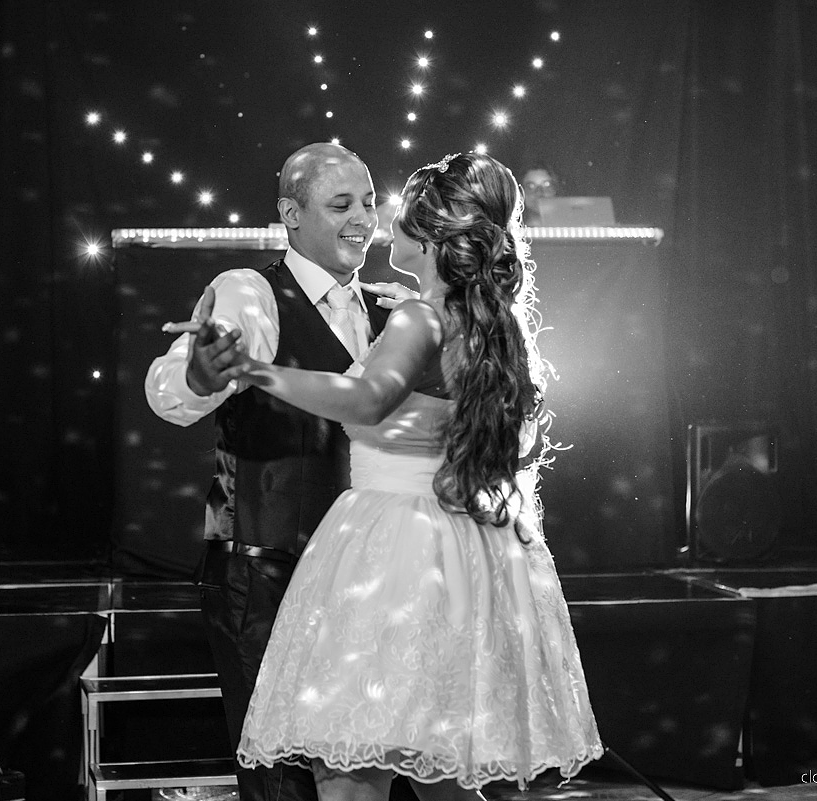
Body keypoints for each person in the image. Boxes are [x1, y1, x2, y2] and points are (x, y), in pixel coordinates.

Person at [216, 152, 603, 800]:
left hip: (393, 553)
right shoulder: (485, 322)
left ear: (427, 237)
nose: (377, 222)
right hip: (458, 553)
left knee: (348, 771)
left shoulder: (419, 320)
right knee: (440, 772)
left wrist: (253, 371)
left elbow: (367, 400)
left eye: (390, 211)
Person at [144, 142, 414, 801]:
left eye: (369, 202)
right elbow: (172, 389)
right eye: (341, 204)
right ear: (291, 214)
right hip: (266, 575)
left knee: (369, 769)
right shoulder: (252, 292)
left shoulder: (391, 308)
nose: (364, 219)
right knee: (284, 779)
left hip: (369, 578)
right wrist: (202, 372)